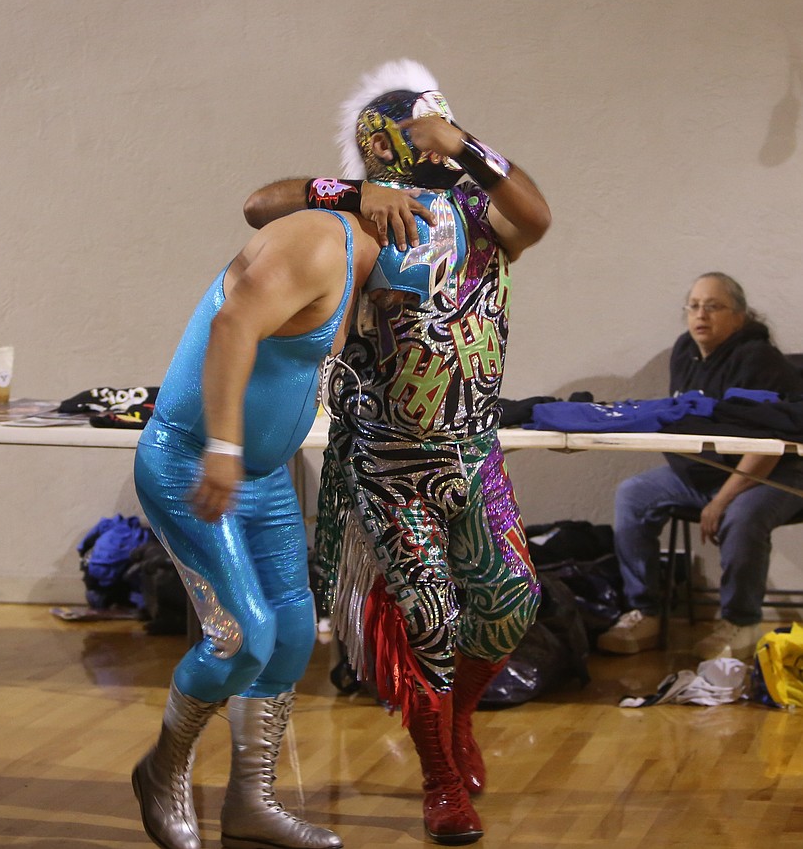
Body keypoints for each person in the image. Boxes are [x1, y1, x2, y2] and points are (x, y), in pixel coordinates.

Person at [243, 59, 552, 845]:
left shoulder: (484, 212)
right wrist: (348, 191)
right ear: (381, 143)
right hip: (390, 464)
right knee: (432, 625)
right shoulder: (364, 223)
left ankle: (457, 725)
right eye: (418, 128)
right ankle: (441, 780)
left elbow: (540, 216)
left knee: (513, 599)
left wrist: (471, 144)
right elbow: (258, 204)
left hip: (474, 449)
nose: (428, 136)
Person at [131, 201, 386, 849]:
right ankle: (163, 768)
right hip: (193, 460)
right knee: (243, 635)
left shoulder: (361, 259)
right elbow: (232, 324)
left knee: (295, 632)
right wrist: (220, 446)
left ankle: (250, 802)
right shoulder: (319, 241)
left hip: (264, 473)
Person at [598, 272, 803, 661]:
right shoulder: (684, 350)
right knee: (633, 494)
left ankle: (740, 623)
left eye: (713, 306)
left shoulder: (758, 359)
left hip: (772, 474)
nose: (700, 315)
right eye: (693, 306)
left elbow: (768, 447)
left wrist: (720, 501)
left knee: (740, 516)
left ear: (739, 317)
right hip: (706, 472)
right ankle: (646, 613)